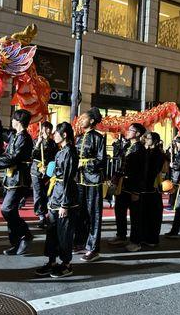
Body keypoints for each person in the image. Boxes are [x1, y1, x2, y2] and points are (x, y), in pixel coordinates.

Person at [36, 122, 79, 278]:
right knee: (52, 231)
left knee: (64, 232)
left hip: (65, 197)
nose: (53, 135)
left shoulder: (70, 152)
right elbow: (56, 173)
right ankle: (51, 261)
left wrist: (65, 204)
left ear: (65, 134)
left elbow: (67, 178)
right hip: (56, 194)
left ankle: (66, 264)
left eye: (56, 132)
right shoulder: (60, 151)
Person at [0, 109, 34, 256]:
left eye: (13, 119)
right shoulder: (15, 136)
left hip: (19, 179)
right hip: (11, 178)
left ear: (18, 121)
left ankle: (25, 234)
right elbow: (0, 131)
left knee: (7, 209)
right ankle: (16, 242)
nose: (11, 121)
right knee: (11, 211)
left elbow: (13, 158)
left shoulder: (25, 138)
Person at [74, 107, 106, 262]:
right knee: (80, 213)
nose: (81, 120)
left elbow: (101, 161)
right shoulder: (78, 137)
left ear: (92, 120)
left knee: (94, 214)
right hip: (79, 180)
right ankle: (80, 242)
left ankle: (93, 248)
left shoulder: (99, 138)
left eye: (84, 117)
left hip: (93, 180)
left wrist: (84, 164)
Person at [108, 123, 147, 252]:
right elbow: (122, 165)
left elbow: (141, 172)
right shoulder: (127, 146)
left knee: (135, 215)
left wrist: (136, 191)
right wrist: (115, 178)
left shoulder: (141, 150)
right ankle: (121, 235)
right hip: (122, 185)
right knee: (120, 211)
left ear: (137, 134)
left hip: (133, 186)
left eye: (131, 130)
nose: (128, 131)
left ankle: (136, 241)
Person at [31, 121, 58, 229]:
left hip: (49, 171)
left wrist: (49, 167)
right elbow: (32, 155)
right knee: (38, 193)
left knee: (48, 193)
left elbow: (55, 157)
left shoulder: (53, 143)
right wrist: (38, 144)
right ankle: (41, 216)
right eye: (45, 128)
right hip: (36, 170)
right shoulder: (35, 141)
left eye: (49, 129)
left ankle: (49, 214)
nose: (47, 131)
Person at [140, 131, 165, 247]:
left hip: (153, 187)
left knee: (153, 214)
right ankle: (146, 236)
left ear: (154, 141)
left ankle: (153, 238)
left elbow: (153, 170)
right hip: (146, 186)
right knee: (145, 213)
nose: (146, 140)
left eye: (148, 138)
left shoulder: (158, 154)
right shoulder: (148, 152)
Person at [168, 136, 180, 210]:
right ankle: (173, 204)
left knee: (175, 190)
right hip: (176, 174)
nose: (175, 143)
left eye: (176, 142)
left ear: (179, 143)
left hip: (178, 174)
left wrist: (173, 165)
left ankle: (174, 205)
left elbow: (179, 164)